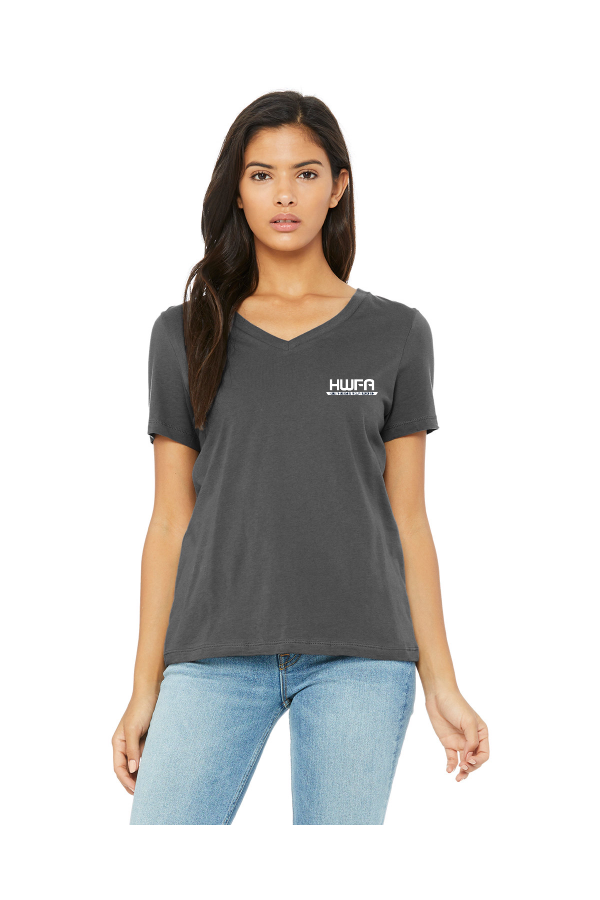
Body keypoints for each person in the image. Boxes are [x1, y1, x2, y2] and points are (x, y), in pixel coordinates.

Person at [113, 90, 490, 825]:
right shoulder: (183, 334)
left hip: (361, 657)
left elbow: (408, 521)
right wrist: (144, 686)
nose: (284, 195)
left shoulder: (397, 334)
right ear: (238, 191)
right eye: (261, 175)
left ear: (337, 187)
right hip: (213, 651)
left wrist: (442, 682)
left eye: (306, 173)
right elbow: (169, 523)